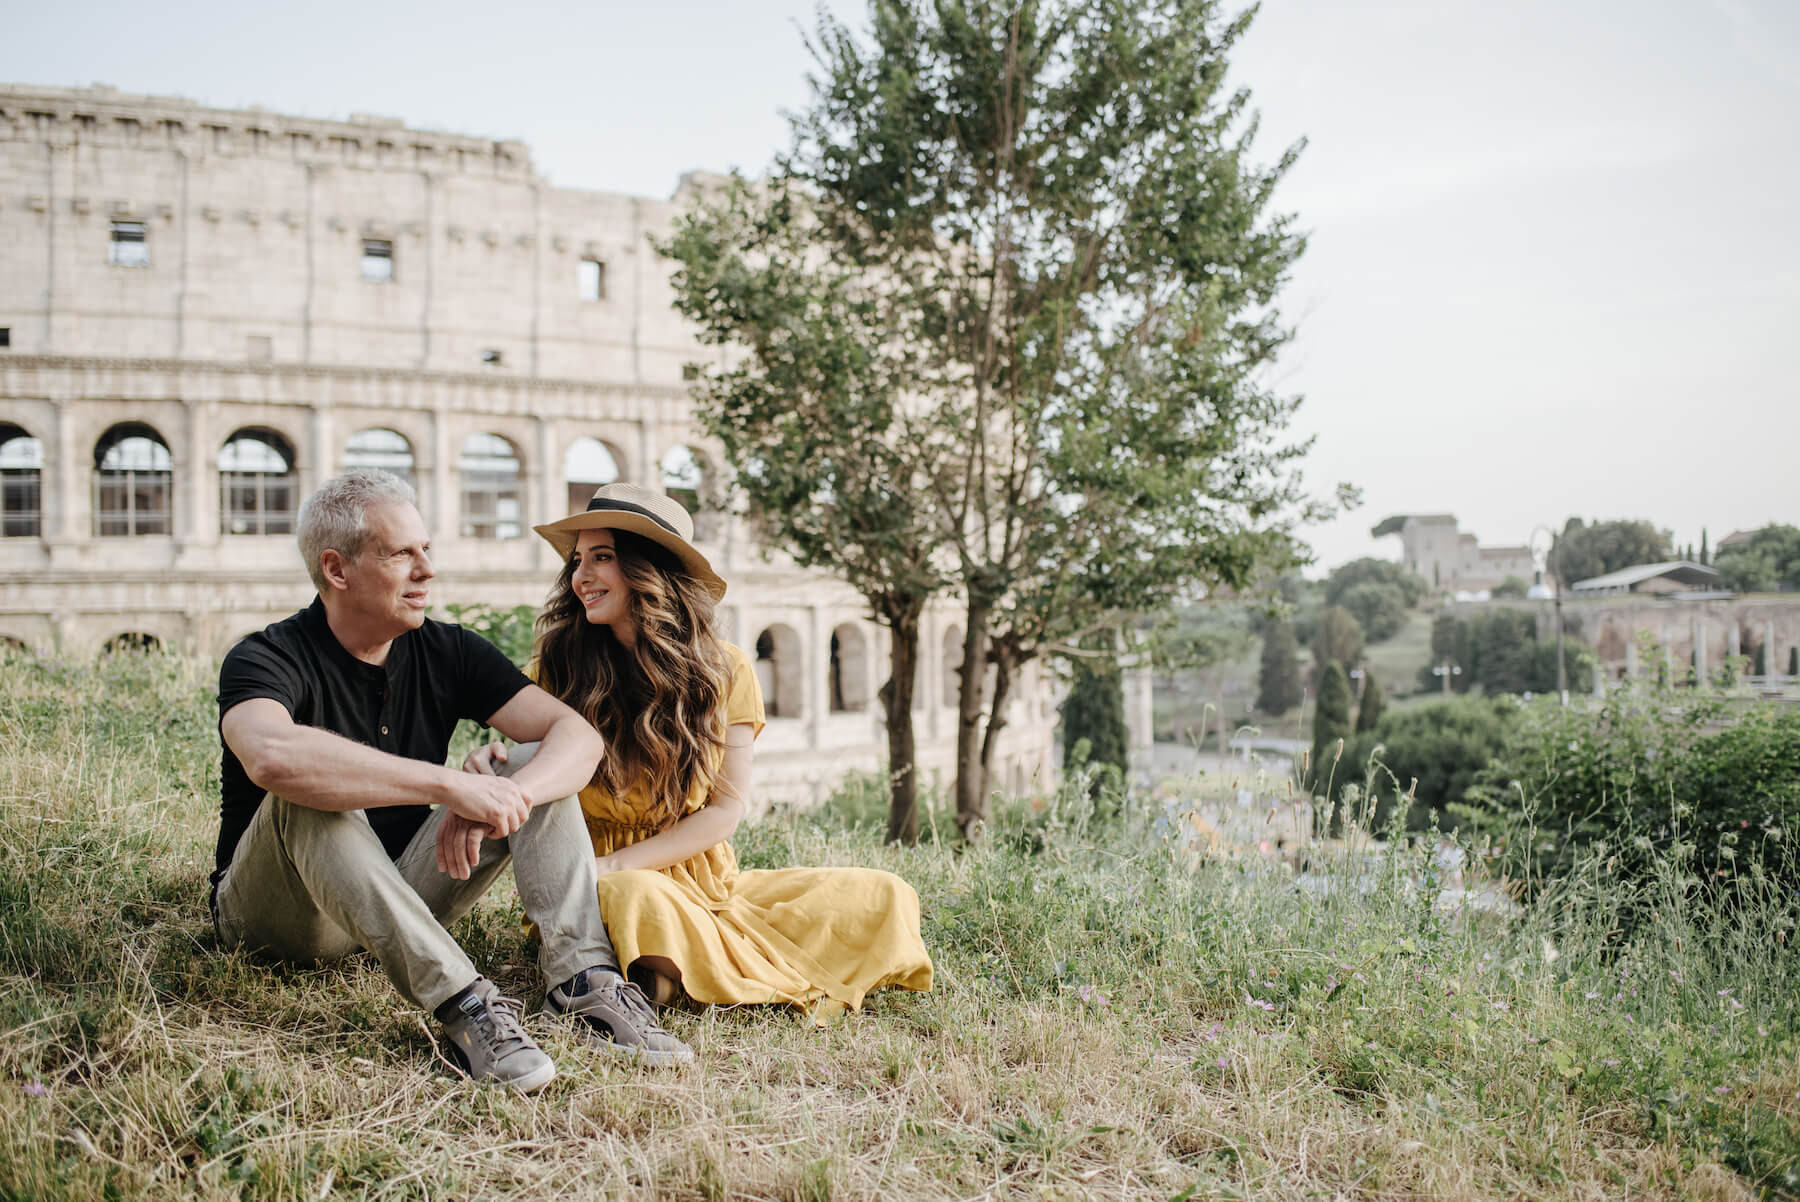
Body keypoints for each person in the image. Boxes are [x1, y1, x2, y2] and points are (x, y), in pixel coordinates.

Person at [212, 469, 692, 1094]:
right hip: (281, 919)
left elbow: (577, 739)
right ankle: (467, 1006)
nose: (426, 571)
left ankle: (582, 985)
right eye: (401, 555)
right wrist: (448, 786)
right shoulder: (265, 657)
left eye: (427, 551)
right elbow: (272, 755)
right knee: (307, 794)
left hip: (402, 894)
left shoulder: (447, 650)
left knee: (522, 763)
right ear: (337, 569)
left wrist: (505, 792)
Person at [465, 483, 932, 1021]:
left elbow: (725, 811)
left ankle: (668, 972)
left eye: (602, 558)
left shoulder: (725, 669)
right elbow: (523, 765)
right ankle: (660, 970)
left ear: (650, 570)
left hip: (706, 883)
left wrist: (617, 861)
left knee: (885, 893)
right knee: (636, 898)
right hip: (593, 882)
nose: (581, 577)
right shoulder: (556, 672)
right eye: (577, 562)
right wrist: (494, 764)